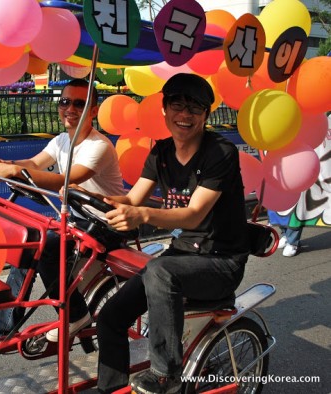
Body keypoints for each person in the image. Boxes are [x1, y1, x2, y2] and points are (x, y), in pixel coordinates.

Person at [76, 73, 250, 394]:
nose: (185, 115)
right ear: (165, 110)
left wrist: (141, 215)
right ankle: (110, 389)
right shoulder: (161, 152)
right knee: (111, 317)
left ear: (206, 115)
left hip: (220, 261)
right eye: (177, 105)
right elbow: (131, 199)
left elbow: (194, 212)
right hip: (181, 255)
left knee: (158, 269)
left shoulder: (221, 152)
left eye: (195, 108)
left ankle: (165, 374)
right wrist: (87, 196)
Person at [0, 78, 125, 348]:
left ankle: (77, 315)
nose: (70, 108)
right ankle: (3, 330)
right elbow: (35, 163)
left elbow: (66, 179)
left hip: (107, 222)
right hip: (78, 219)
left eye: (79, 103)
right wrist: (9, 164)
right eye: (65, 102)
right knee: (29, 246)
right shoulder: (62, 140)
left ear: (93, 111)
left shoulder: (100, 146)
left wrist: (17, 172)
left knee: (47, 247)